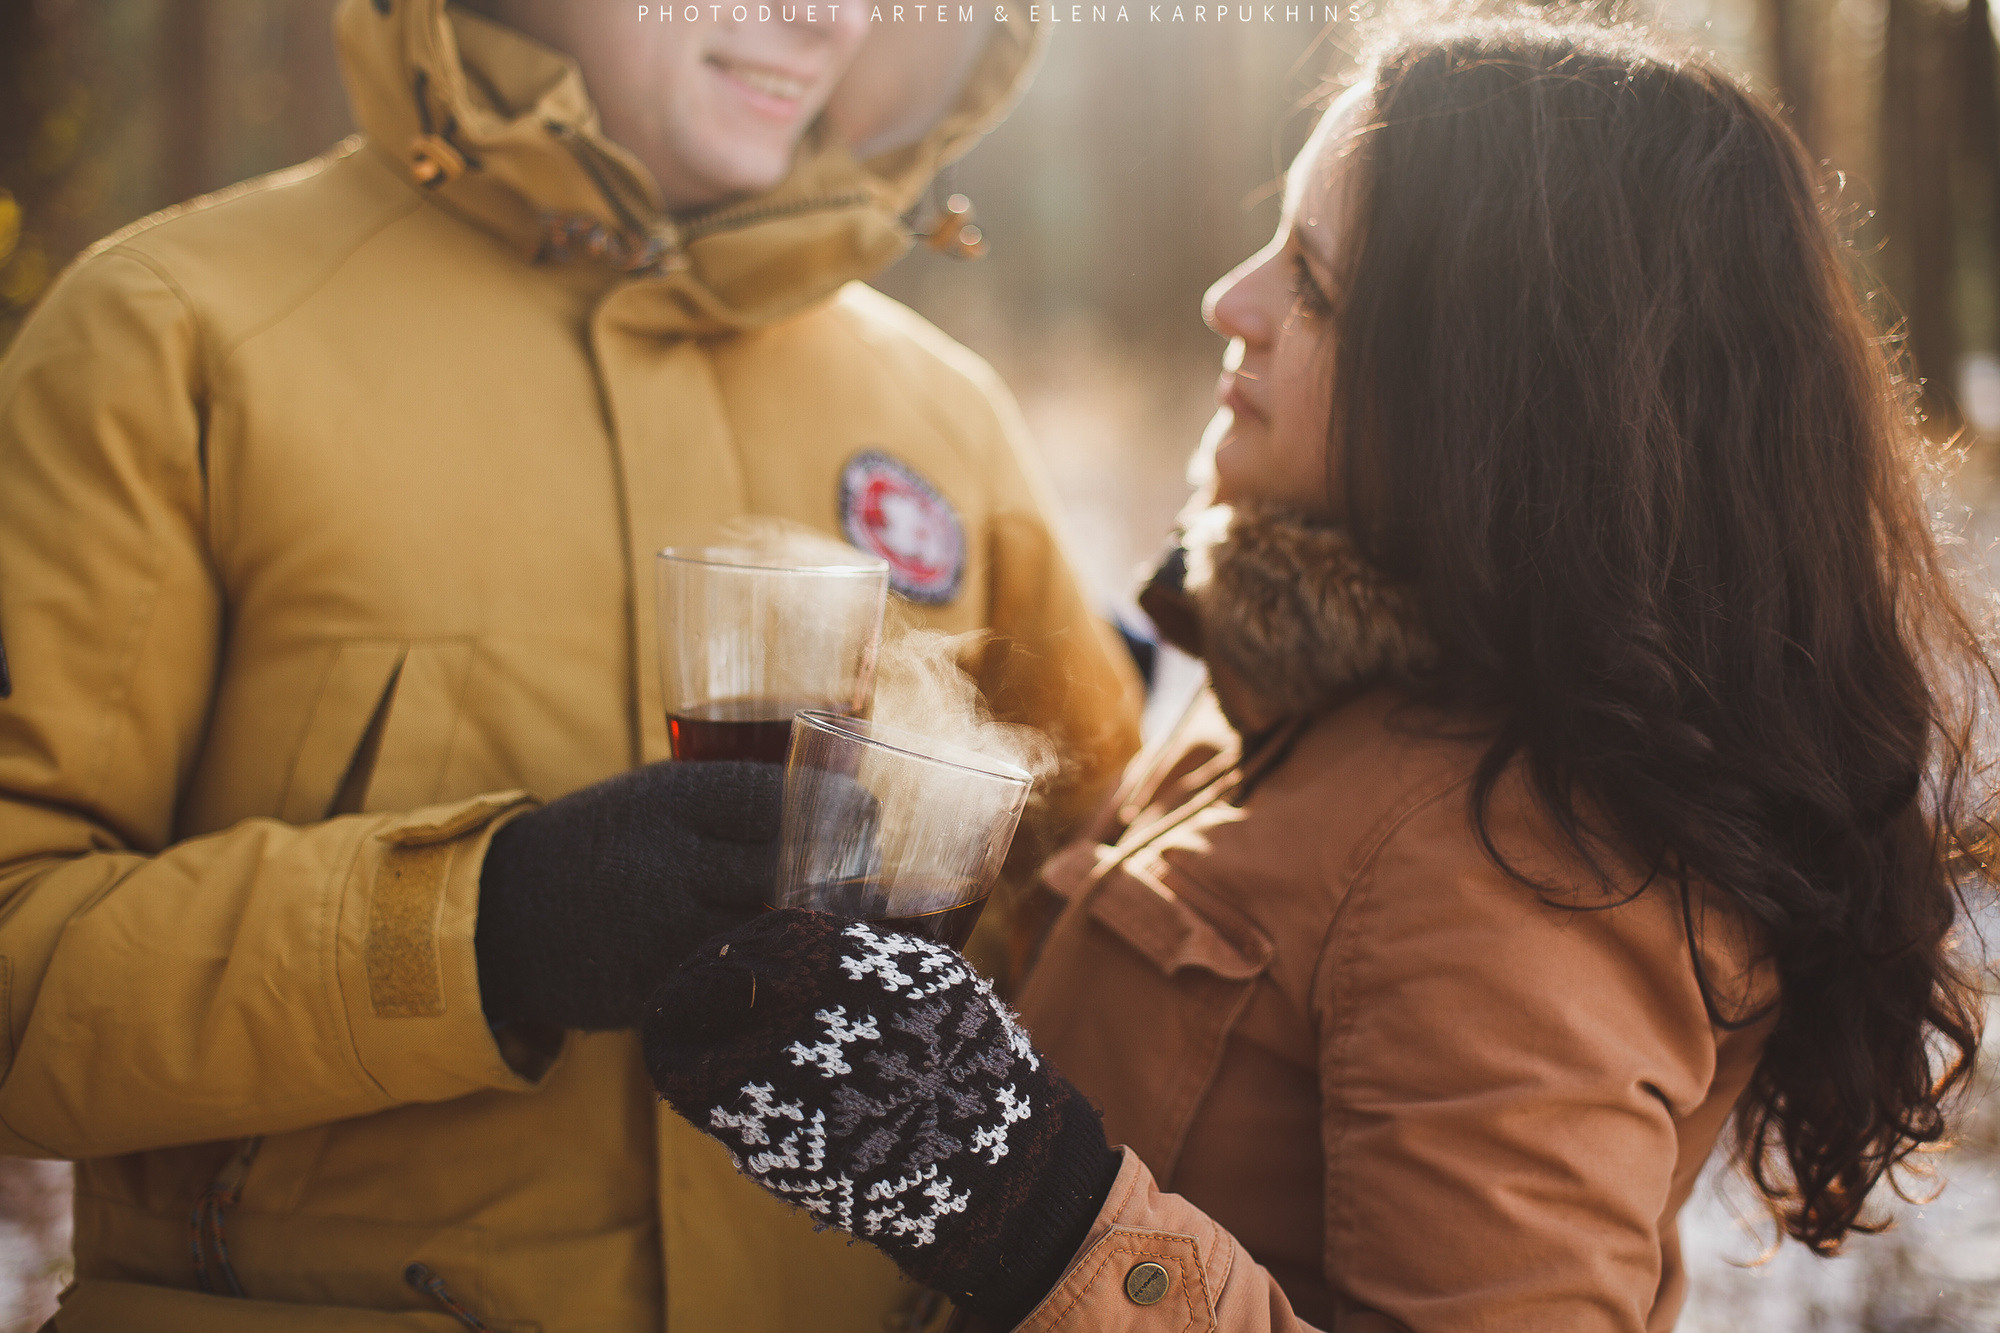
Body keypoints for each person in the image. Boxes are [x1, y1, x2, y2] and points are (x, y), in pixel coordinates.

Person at [641, 13, 1996, 1331]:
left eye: (1316, 281)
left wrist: (1032, 1215)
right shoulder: (1306, 689)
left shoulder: (1523, 862)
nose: (1229, 300)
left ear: (1491, 389)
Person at [0, 0, 1141, 1328]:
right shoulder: (171, 335)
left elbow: (1113, 915)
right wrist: (484, 930)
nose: (822, 18)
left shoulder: (948, 412)